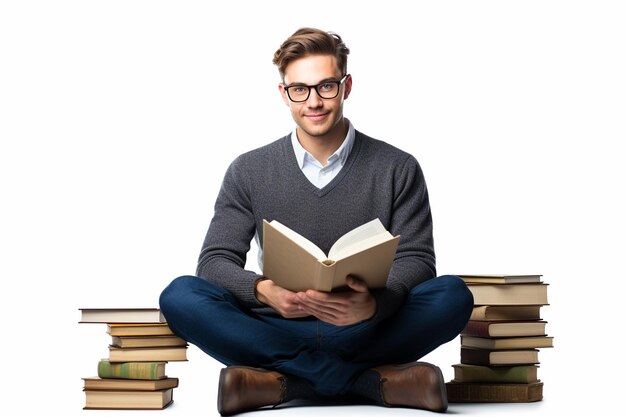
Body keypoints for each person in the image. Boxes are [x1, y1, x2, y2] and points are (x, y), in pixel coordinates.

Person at [159, 27, 473, 415]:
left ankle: (283, 382)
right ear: (283, 94)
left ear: (346, 86)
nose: (314, 102)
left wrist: (372, 305)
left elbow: (419, 261)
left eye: (326, 86)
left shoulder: (398, 167)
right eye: (300, 89)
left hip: (367, 329)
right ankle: (362, 382)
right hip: (275, 326)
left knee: (453, 296)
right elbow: (214, 263)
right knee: (180, 296)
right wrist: (265, 291)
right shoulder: (249, 170)